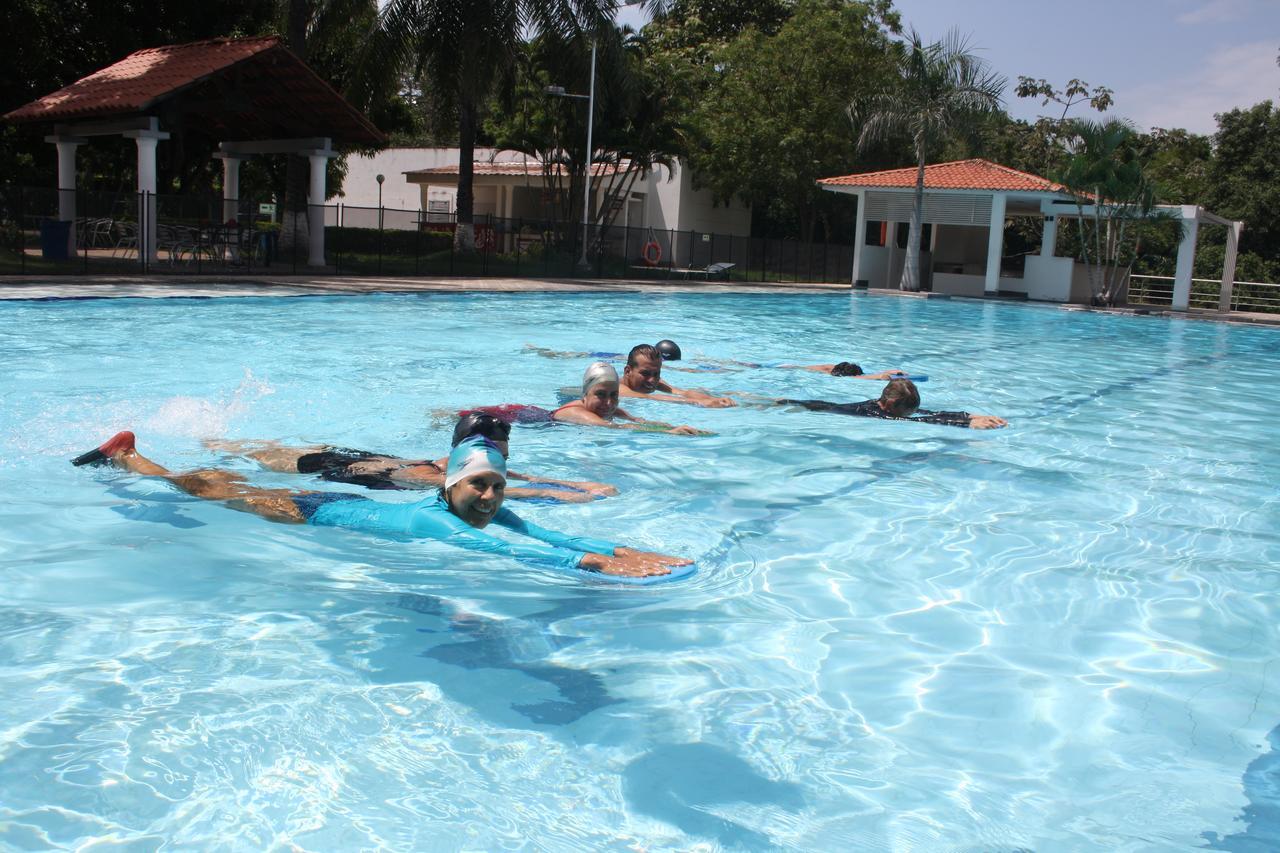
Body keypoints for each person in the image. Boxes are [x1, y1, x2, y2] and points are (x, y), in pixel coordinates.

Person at [71, 431, 689, 579]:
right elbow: (497, 552)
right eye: (479, 486)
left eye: (497, 485)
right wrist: (589, 568)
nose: (492, 496)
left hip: (325, 502)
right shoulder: (436, 518)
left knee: (217, 485)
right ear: (448, 486)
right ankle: (130, 457)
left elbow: (539, 534)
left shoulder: (491, 509)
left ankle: (163, 456)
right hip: (307, 512)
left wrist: (614, 548)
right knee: (199, 489)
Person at [204, 412, 616, 503]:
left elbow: (518, 474)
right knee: (262, 456)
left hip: (370, 457)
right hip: (337, 467)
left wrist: (577, 483)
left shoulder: (455, 458)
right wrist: (560, 497)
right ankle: (214, 443)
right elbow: (470, 487)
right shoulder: (431, 474)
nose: (500, 465)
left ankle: (223, 442)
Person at [552, 362, 710, 436]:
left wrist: (681, 428)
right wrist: (667, 432)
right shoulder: (576, 412)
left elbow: (639, 421)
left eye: (613, 395)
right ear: (584, 395)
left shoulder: (612, 409)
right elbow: (614, 427)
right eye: (600, 394)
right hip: (531, 421)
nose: (608, 403)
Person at [778, 378, 1007, 429]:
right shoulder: (875, 413)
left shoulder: (893, 406)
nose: (909, 415)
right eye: (905, 412)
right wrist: (965, 425)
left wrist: (969, 415)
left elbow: (929, 413)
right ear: (888, 405)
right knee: (783, 403)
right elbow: (925, 421)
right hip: (822, 408)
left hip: (826, 404)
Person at [619, 344, 736, 408]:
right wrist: (700, 403)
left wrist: (713, 400)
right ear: (628, 371)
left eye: (656, 374)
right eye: (645, 373)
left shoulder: (651, 379)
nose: (652, 380)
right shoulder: (617, 388)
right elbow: (650, 398)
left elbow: (682, 392)